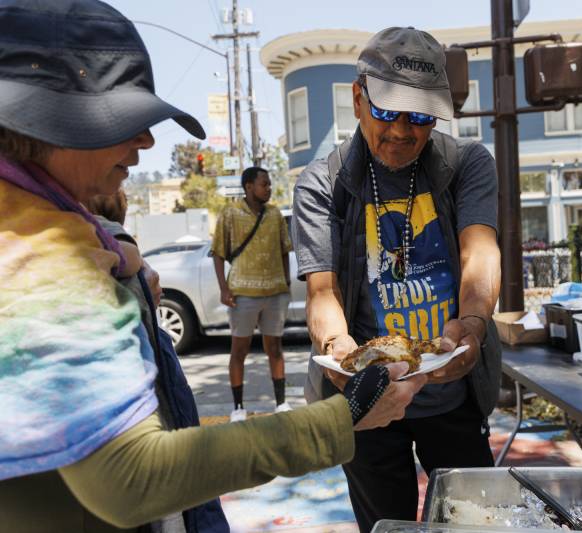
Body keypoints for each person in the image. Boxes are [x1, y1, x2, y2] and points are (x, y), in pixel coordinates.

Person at [0, 3, 426, 533]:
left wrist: (120, 251)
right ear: (49, 119)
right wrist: (341, 420)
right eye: (125, 120)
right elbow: (132, 479)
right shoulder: (40, 255)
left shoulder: (47, 220)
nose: (147, 142)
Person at [292, 26, 503, 532]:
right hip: (368, 402)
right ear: (358, 99)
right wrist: (340, 349)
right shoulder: (322, 184)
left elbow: (480, 253)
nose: (403, 132)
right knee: (387, 526)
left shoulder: (467, 164)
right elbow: (323, 291)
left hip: (452, 394)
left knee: (480, 523)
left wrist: (471, 325)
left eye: (421, 117)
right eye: (387, 112)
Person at [211, 167, 293, 421]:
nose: (268, 188)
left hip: (275, 292)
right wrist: (224, 289)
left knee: (275, 349)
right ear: (248, 186)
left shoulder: (275, 214)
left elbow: (283, 250)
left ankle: (281, 403)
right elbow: (218, 252)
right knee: (239, 350)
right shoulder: (230, 213)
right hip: (243, 293)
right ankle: (238, 407)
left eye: (269, 184)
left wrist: (286, 283)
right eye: (264, 184)